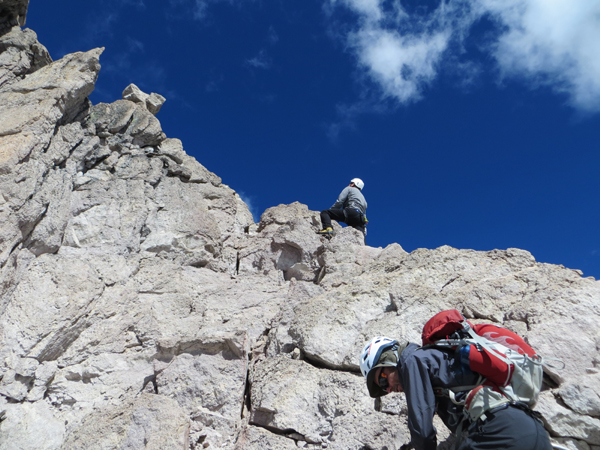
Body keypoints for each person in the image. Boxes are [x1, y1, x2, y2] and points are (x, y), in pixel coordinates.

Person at [359, 336, 553, 450]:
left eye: (384, 380)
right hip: (534, 431)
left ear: (390, 357)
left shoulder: (412, 361)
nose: (389, 389)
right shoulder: (435, 360)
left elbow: (422, 432)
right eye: (383, 389)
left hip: (499, 432)